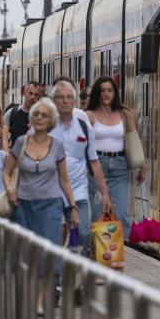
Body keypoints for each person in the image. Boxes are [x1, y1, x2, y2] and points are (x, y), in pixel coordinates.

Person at [2, 97, 80, 245]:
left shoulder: (57, 146)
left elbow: (64, 180)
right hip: (22, 204)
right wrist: (10, 190)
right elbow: (6, 172)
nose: (39, 117)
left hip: (50, 204)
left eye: (44, 115)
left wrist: (72, 207)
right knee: (24, 252)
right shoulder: (20, 143)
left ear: (51, 120)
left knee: (50, 251)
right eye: (36, 114)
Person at [50, 79, 111, 254]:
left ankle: (78, 275)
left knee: (83, 234)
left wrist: (104, 194)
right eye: (60, 97)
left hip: (78, 192)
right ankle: (56, 274)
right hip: (51, 192)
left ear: (75, 101)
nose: (65, 101)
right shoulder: (45, 124)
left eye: (69, 97)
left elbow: (93, 161)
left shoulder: (83, 125)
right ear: (53, 100)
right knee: (57, 236)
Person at [85, 76, 142, 236]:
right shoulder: (89, 115)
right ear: (97, 93)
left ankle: (116, 248)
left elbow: (134, 140)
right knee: (97, 213)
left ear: (115, 93)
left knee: (121, 211)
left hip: (120, 165)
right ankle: (98, 250)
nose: (106, 94)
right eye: (102, 90)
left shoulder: (125, 114)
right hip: (97, 166)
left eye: (110, 90)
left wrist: (143, 166)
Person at [5, 81, 42, 151]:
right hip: (16, 157)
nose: (33, 97)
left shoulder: (42, 116)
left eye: (36, 95)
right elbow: (3, 137)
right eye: (30, 93)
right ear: (25, 92)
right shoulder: (12, 113)